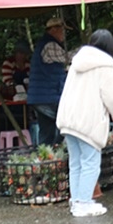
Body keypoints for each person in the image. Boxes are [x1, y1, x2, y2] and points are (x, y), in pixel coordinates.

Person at [56, 29, 113, 217]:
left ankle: (77, 201)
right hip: (88, 121)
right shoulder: (106, 66)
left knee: (76, 163)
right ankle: (84, 203)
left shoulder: (77, 62)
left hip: (68, 119)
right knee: (90, 163)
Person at [26, 17, 71, 147]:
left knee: (47, 134)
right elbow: (67, 59)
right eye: (62, 30)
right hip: (49, 98)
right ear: (54, 30)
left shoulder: (45, 44)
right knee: (66, 126)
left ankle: (45, 161)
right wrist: (85, 51)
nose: (64, 33)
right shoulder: (50, 45)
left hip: (41, 97)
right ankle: (57, 156)